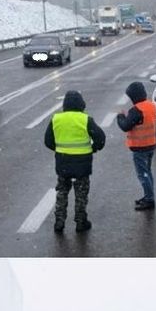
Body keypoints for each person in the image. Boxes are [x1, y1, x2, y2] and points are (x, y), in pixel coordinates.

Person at [43, 90, 106, 233]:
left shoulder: (56, 119)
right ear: (81, 104)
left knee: (62, 192)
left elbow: (48, 141)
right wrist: (93, 148)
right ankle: (80, 222)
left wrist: (59, 148)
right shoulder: (85, 119)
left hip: (63, 163)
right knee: (81, 194)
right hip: (82, 165)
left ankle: (59, 221)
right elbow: (101, 138)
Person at [116, 81, 156, 211]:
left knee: (143, 174)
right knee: (148, 172)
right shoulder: (151, 106)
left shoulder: (136, 110)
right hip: (150, 144)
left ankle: (149, 199)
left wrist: (120, 116)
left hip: (140, 146)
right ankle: (148, 196)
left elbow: (125, 126)